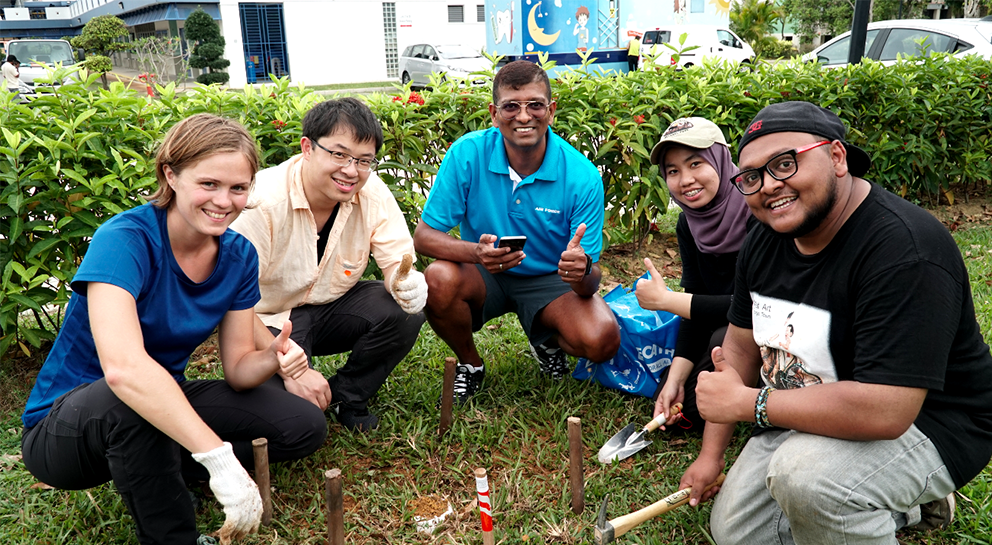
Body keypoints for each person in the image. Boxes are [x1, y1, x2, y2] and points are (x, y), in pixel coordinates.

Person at [678, 101, 992, 545]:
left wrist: (751, 404)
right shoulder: (764, 242)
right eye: (751, 177)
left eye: (785, 164)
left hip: (930, 423)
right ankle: (904, 506)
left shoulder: (905, 250)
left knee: (805, 480)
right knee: (738, 531)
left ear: (836, 157)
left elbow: (886, 412)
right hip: (819, 407)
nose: (769, 186)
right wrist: (711, 457)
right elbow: (740, 352)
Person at [21, 114, 328, 545]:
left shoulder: (238, 255)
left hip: (157, 403)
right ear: (171, 174)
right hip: (67, 428)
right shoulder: (125, 240)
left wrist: (275, 358)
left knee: (301, 425)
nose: (224, 201)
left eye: (238, 188)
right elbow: (124, 370)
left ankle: (158, 466)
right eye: (209, 183)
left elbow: (241, 369)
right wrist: (220, 460)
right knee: (127, 397)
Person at [414, 60, 620, 404]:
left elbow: (590, 281)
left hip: (550, 278)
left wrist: (581, 270)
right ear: (494, 114)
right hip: (484, 273)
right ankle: (471, 364)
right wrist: (476, 254)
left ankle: (545, 341)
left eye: (535, 105)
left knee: (601, 339)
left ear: (551, 110)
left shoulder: (582, 175)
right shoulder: (467, 153)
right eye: (511, 106)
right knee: (436, 279)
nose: (524, 117)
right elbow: (424, 236)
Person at [230, 97, 426, 432]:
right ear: (307, 147)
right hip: (268, 320)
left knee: (404, 311)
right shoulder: (261, 202)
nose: (351, 171)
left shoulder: (371, 193)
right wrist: (296, 370)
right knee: (291, 418)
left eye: (364, 161)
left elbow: (397, 261)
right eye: (339, 154)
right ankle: (305, 396)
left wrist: (404, 283)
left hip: (332, 307)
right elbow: (231, 301)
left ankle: (346, 397)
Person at [634, 117, 751, 433]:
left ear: (720, 160)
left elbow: (754, 308)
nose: (685, 179)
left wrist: (668, 301)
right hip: (722, 332)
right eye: (673, 171)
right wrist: (675, 379)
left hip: (767, 332)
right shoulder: (689, 223)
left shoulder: (758, 211)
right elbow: (695, 308)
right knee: (673, 403)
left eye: (695, 163)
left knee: (722, 339)